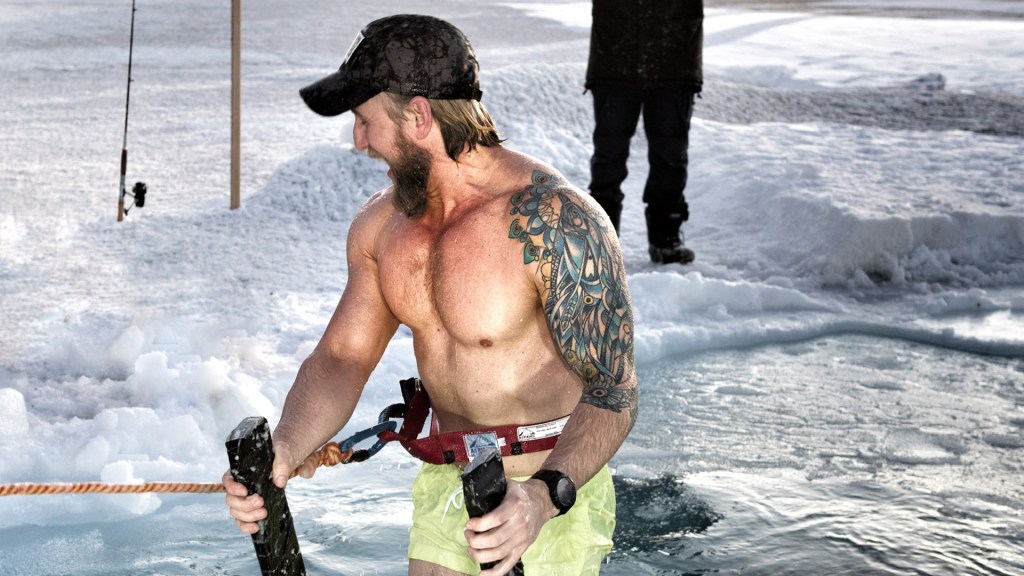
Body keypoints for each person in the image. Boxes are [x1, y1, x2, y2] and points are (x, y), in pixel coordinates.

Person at [223, 14, 639, 576]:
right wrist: (287, 448)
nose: (358, 141)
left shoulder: (555, 222)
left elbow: (614, 391)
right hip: (448, 482)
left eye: (366, 121)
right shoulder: (380, 228)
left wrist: (542, 498)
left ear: (418, 115)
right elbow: (343, 358)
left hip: (547, 496)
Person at [585, 0, 704, 264]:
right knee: (608, 154)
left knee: (671, 155)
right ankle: (602, 238)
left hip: (675, 56)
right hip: (615, 57)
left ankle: (665, 239)